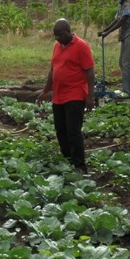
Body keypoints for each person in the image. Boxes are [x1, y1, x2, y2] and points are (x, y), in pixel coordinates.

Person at [37, 19, 95, 173]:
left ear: (69, 32)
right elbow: (52, 70)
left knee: (73, 130)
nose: (58, 38)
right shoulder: (57, 47)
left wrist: (90, 95)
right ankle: (68, 160)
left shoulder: (81, 46)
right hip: (58, 95)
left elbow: (89, 71)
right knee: (60, 130)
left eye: (60, 35)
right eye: (56, 36)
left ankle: (80, 166)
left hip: (75, 93)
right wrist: (45, 91)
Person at [97, 0, 130, 99]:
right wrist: (104, 31)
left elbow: (123, 20)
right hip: (126, 34)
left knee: (126, 63)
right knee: (122, 63)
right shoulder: (121, 4)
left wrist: (108, 32)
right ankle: (125, 89)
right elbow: (116, 19)